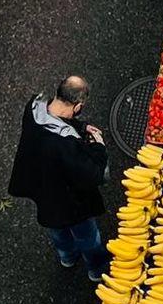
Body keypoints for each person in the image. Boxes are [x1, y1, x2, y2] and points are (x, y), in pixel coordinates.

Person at [8, 75, 111, 276]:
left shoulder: (33, 108)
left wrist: (81, 127)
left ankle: (67, 257)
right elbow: (93, 174)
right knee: (88, 236)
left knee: (57, 230)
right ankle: (96, 269)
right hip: (69, 202)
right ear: (78, 106)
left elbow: (57, 121)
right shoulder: (65, 145)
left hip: (43, 189)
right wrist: (99, 147)